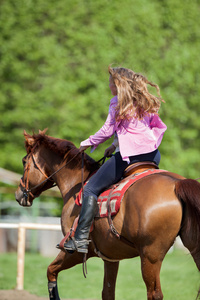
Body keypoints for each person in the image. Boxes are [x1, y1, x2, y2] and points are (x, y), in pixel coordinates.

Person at [64, 66, 167, 254]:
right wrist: (115, 144)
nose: (109, 85)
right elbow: (137, 128)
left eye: (111, 82)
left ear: (118, 84)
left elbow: (107, 130)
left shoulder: (117, 102)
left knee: (91, 189)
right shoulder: (142, 101)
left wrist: (87, 142)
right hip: (153, 154)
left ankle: (80, 238)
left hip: (131, 157)